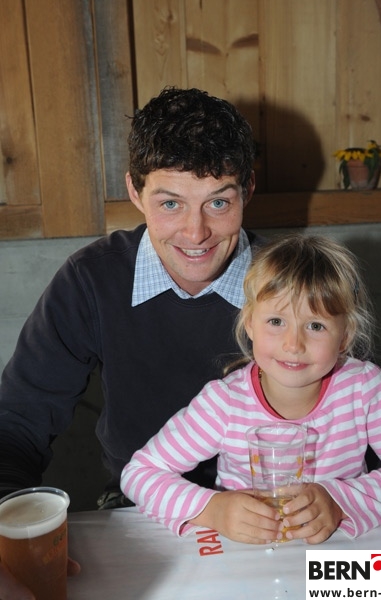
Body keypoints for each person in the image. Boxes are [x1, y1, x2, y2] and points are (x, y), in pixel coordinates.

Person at [0, 87, 263, 596]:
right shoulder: (91, 280)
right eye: (170, 203)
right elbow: (17, 424)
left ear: (247, 190)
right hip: (139, 508)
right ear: (135, 192)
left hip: (273, 509)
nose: (196, 232)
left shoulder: (300, 284)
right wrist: (8, 528)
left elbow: (368, 435)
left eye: (218, 202)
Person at [121, 234, 381, 545]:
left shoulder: (363, 389)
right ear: (250, 323)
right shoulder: (224, 404)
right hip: (245, 558)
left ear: (345, 336)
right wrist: (213, 511)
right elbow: (140, 474)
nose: (293, 345)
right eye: (276, 321)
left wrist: (340, 502)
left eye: (316, 326)